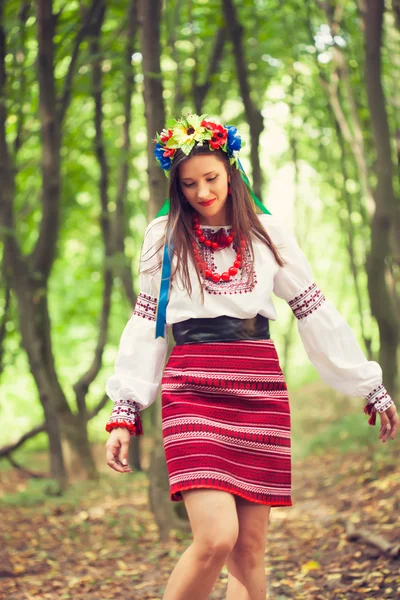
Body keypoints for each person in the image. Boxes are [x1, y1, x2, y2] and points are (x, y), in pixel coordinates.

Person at [104, 114, 398, 600]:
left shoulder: (268, 233)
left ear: (231, 170)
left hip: (258, 385)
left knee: (250, 547)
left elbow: (312, 309)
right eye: (190, 184)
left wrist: (369, 384)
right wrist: (125, 410)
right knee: (216, 538)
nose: (202, 191)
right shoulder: (163, 237)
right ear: (176, 188)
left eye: (211, 178)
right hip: (192, 388)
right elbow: (147, 326)